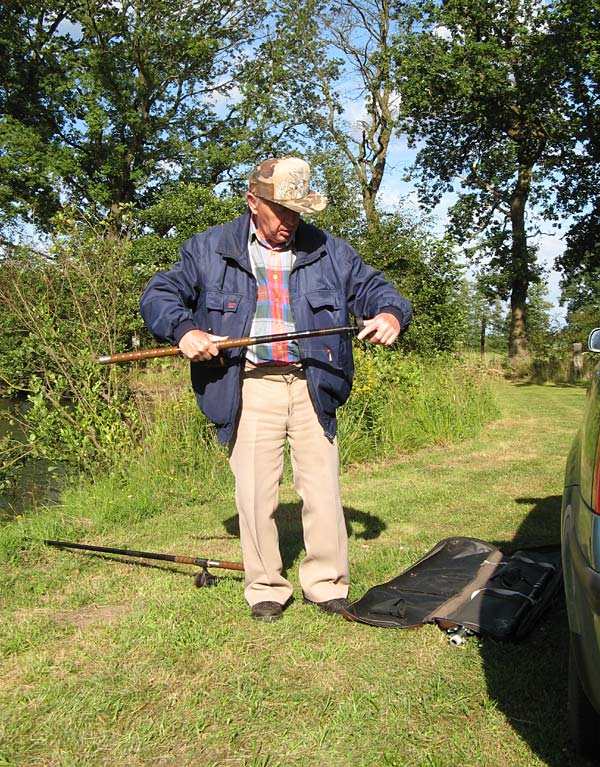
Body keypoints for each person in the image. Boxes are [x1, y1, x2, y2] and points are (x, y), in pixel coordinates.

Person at [140, 156, 412, 622]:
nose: (290, 221)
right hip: (247, 383)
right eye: (281, 210)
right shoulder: (209, 248)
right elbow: (158, 294)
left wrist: (390, 314)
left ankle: (326, 585)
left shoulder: (330, 250)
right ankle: (265, 587)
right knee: (255, 494)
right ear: (253, 203)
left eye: (297, 212)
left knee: (322, 489)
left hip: (313, 381)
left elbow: (376, 290)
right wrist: (184, 330)